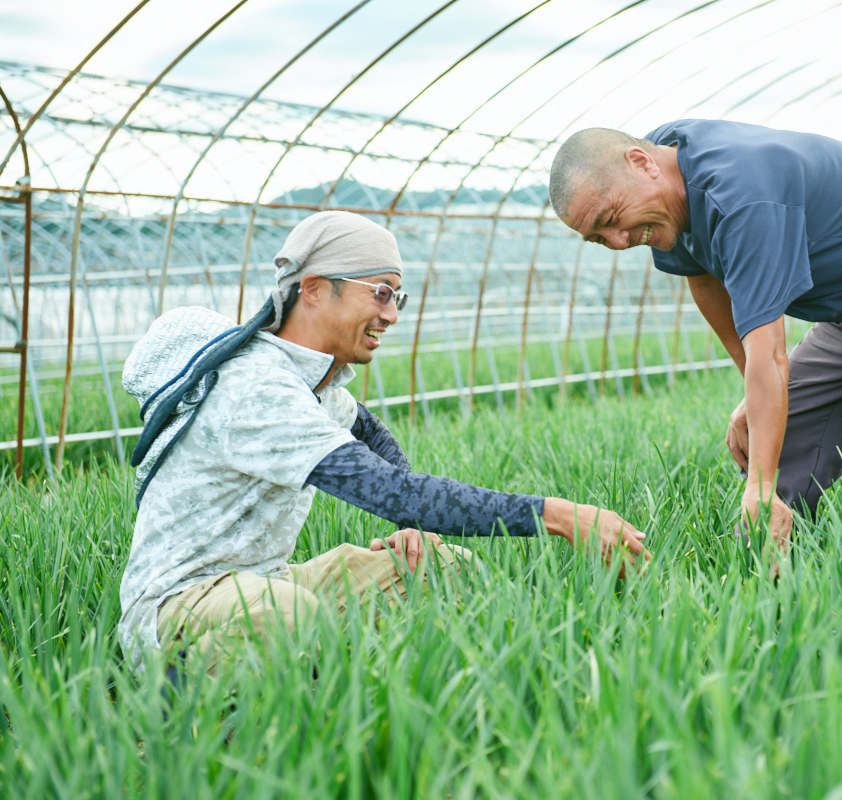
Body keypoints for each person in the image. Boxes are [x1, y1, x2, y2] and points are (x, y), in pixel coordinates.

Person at [118, 211, 648, 672]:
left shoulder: (314, 383)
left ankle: (404, 692)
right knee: (291, 617)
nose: (392, 314)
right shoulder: (256, 388)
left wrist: (413, 529)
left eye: (397, 296)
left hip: (266, 580)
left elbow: (371, 436)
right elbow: (383, 487)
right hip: (178, 605)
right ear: (315, 288)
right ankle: (168, 720)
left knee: (438, 569)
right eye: (380, 293)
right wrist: (555, 514)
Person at [549, 120, 842, 544]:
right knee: (776, 443)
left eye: (610, 219)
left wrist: (762, 485)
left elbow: (769, 353)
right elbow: (704, 276)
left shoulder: (743, 192)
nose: (618, 242)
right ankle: (767, 565)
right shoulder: (667, 177)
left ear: (640, 163)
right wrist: (754, 403)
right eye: (596, 238)